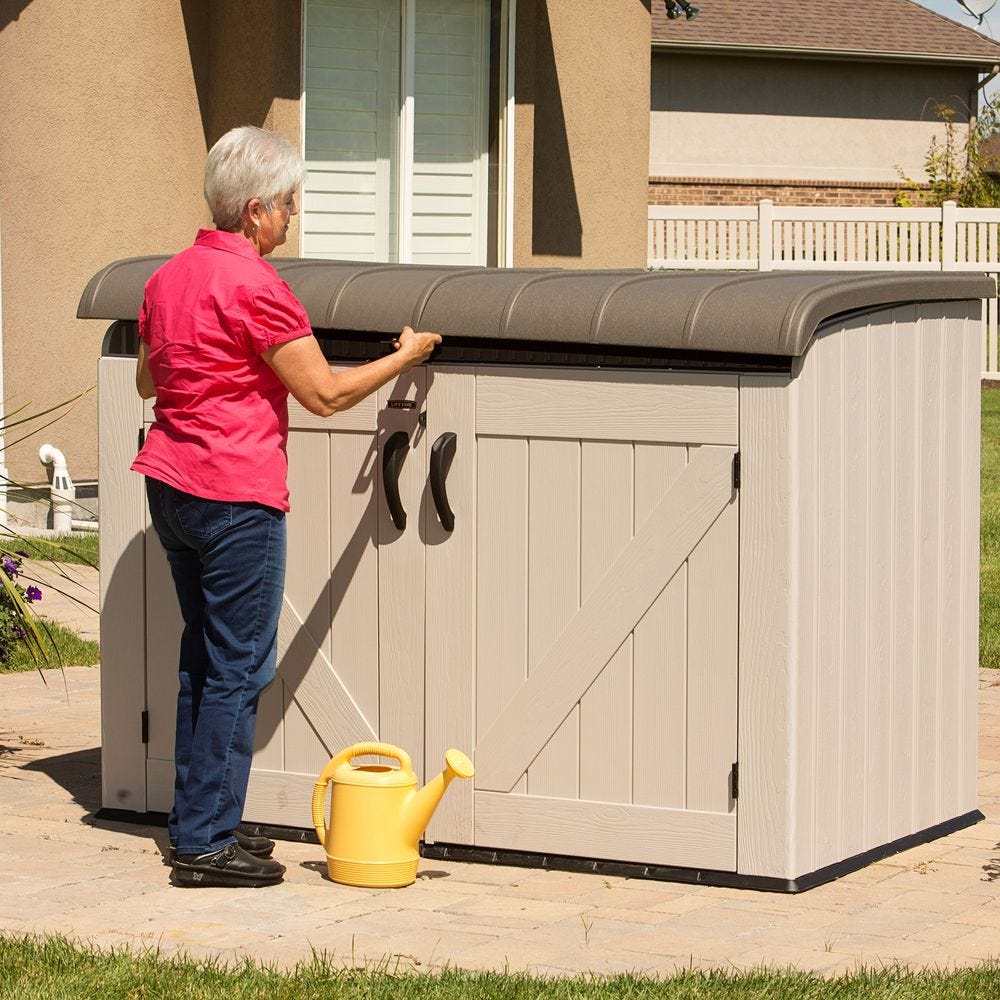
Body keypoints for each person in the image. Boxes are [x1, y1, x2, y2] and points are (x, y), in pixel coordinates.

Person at [132, 126, 441, 888]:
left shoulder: (167, 279)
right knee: (237, 669)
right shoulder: (257, 287)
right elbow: (326, 394)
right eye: (290, 204)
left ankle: (198, 822)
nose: (294, 217)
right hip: (235, 496)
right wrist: (406, 355)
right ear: (256, 211)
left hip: (170, 487)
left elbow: (147, 383)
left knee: (203, 663)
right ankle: (205, 847)